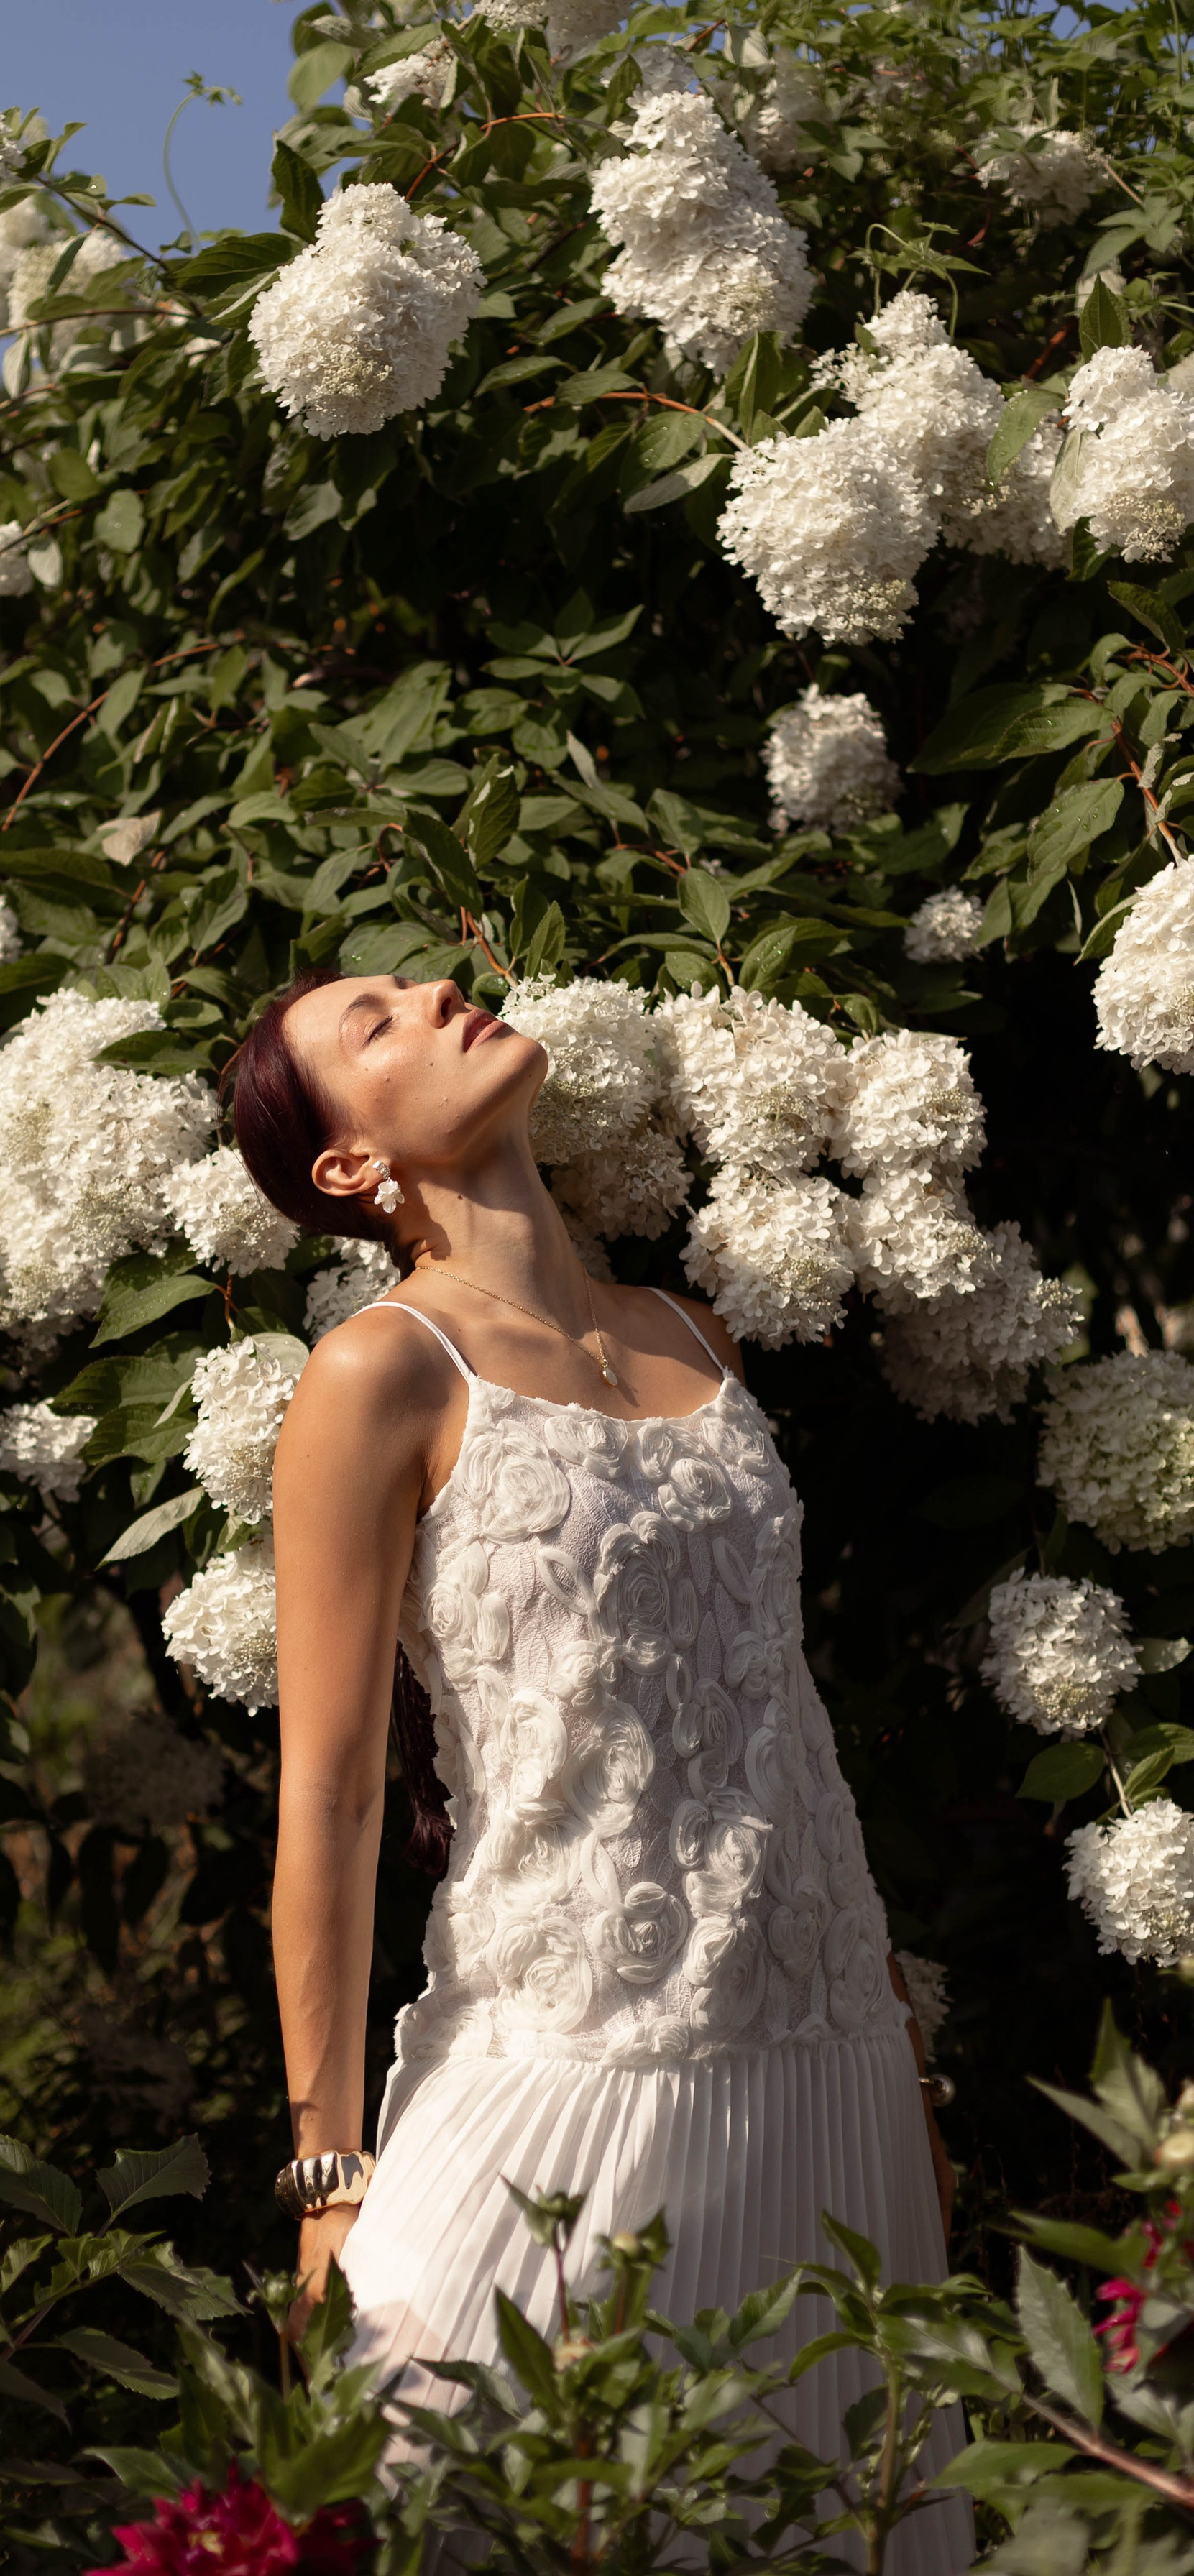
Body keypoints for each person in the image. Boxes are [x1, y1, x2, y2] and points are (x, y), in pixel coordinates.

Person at [229, 967, 963, 2567]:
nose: (433, 990)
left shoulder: (691, 1338)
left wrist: (898, 2060)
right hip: (563, 2078)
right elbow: (335, 1800)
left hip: (826, 2078)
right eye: (375, 1023)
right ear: (350, 1169)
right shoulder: (378, 1374)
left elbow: (784, 1718)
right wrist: (323, 2177)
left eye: (418, 981)